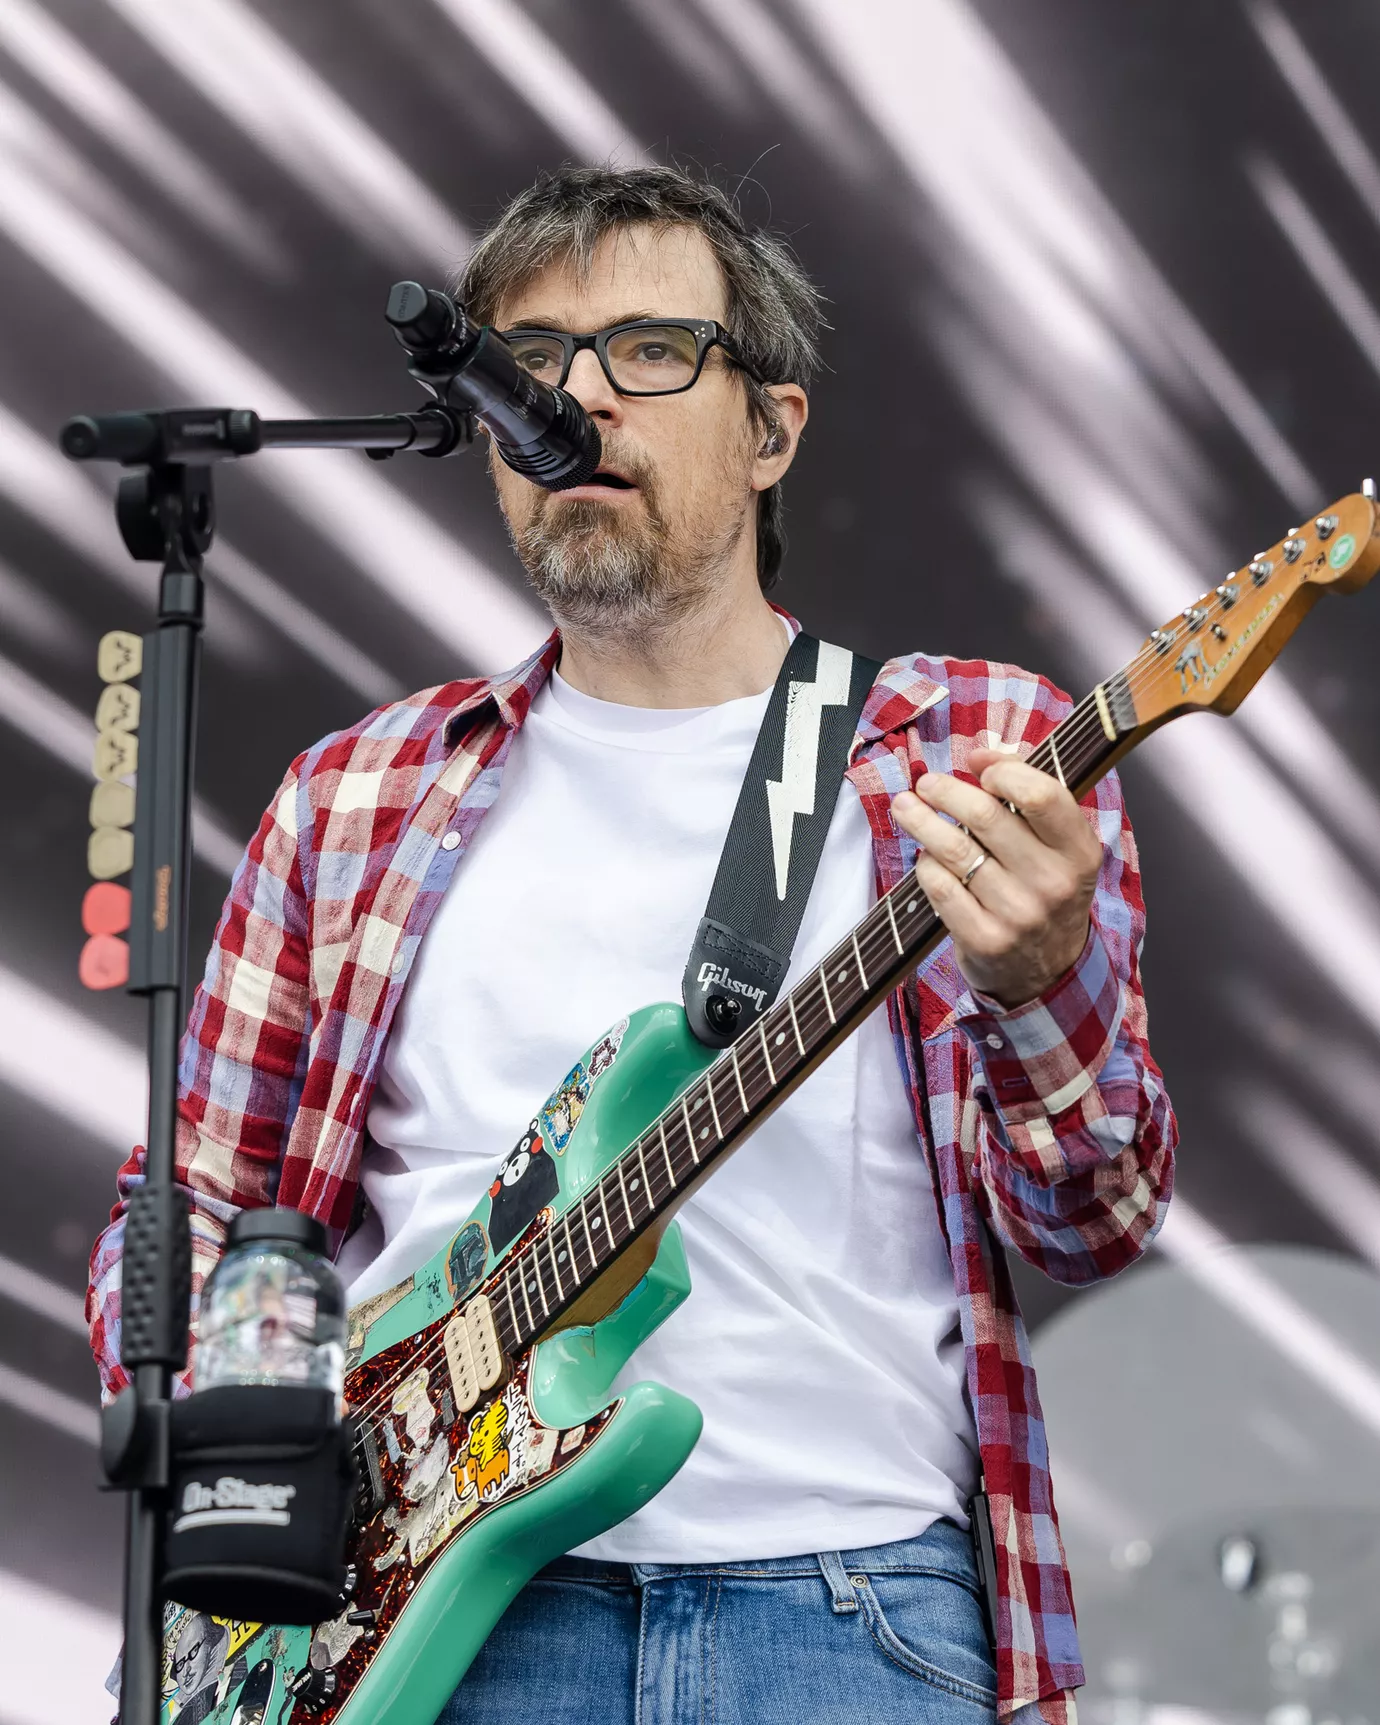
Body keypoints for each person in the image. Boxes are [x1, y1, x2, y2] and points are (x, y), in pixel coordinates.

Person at [87, 164, 1176, 1725]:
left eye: (651, 351)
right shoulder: (357, 796)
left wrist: (1039, 980)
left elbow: (1097, 1223)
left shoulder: (980, 751)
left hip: (851, 1610)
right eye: (531, 361)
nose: (579, 399)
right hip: (423, 1628)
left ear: (772, 432)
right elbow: (190, 1204)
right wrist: (254, 1431)